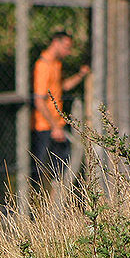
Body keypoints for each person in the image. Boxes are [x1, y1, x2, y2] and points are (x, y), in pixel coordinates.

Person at [31, 31, 91, 190]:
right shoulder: (42, 65)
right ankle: (37, 206)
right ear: (55, 43)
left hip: (57, 125)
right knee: (39, 170)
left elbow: (62, 87)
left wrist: (81, 75)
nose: (68, 52)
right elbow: (39, 100)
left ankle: (56, 203)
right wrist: (54, 126)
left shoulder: (56, 64)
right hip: (44, 127)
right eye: (66, 47)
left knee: (61, 168)